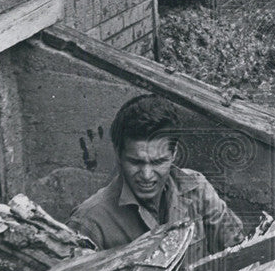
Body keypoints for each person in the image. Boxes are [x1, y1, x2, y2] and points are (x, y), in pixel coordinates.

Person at [69, 94, 245, 261]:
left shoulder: (197, 189)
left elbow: (240, 254)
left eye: (158, 162)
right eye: (136, 162)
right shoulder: (89, 222)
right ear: (118, 154)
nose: (146, 175)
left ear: (174, 154)